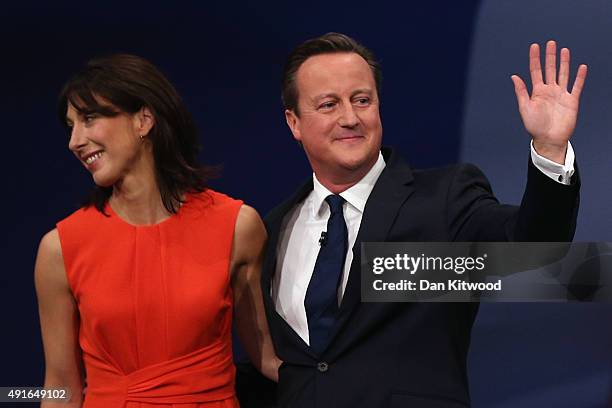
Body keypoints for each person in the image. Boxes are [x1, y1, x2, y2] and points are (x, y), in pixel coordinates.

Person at [261, 33, 585, 407]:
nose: (349, 118)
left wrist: (549, 148)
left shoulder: (444, 199)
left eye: (362, 100)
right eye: (329, 105)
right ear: (294, 122)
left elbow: (535, 248)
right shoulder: (274, 228)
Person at [35, 54, 280, 407]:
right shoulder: (59, 249)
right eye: (71, 126)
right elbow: (59, 389)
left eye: (89, 119)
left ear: (144, 120)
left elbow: (267, 360)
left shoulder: (237, 227)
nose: (75, 141)